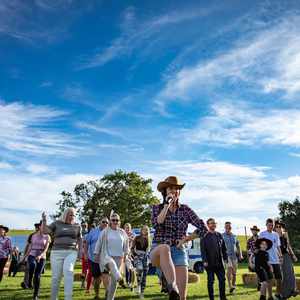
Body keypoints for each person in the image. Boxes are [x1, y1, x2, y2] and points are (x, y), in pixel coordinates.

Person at [150, 176, 207, 300]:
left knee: (181, 297)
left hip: (178, 250)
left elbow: (203, 228)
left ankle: (172, 289)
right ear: (165, 191)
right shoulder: (156, 208)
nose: (174, 191)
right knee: (165, 248)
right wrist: (166, 205)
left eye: (177, 188)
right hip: (159, 250)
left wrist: (186, 239)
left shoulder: (185, 209)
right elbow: (157, 223)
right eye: (171, 188)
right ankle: (171, 285)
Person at [41, 208, 82, 300]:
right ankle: (53, 298)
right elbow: (45, 231)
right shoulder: (57, 223)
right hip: (56, 252)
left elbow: (80, 239)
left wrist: (80, 251)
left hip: (71, 252)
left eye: (73, 215)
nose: (72, 217)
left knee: (68, 271)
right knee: (56, 277)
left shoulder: (77, 226)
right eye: (70, 214)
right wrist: (44, 220)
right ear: (65, 214)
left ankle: (68, 298)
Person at [94, 212, 129, 300]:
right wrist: (96, 253)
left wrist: (126, 255)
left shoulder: (122, 232)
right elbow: (99, 242)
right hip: (107, 256)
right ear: (110, 221)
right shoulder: (105, 231)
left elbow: (126, 245)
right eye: (113, 220)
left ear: (119, 221)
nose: (115, 222)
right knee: (112, 264)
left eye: (117, 220)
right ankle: (120, 279)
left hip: (119, 257)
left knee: (113, 283)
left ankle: (110, 298)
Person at [200, 218, 227, 300]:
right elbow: (203, 250)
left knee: (222, 280)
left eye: (214, 223)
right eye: (211, 223)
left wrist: (225, 258)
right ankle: (211, 298)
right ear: (208, 225)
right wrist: (204, 261)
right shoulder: (204, 236)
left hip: (219, 263)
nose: (213, 224)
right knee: (211, 281)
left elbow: (223, 248)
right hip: (209, 263)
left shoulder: (219, 235)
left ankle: (223, 297)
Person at [84, 217, 110, 299]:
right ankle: (97, 294)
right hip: (93, 259)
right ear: (100, 222)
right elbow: (87, 243)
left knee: (106, 275)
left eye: (107, 222)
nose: (105, 223)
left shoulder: (109, 232)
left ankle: (107, 293)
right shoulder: (93, 232)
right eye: (103, 222)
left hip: (106, 258)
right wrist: (85, 253)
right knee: (96, 278)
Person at [24, 221, 51, 300]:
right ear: (39, 227)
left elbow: (46, 249)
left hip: (42, 256)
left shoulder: (47, 236)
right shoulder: (33, 236)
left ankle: (35, 295)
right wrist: (24, 257)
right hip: (32, 254)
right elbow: (30, 248)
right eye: (43, 226)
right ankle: (29, 280)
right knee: (32, 265)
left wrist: (40, 256)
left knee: (37, 276)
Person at [274, 220, 298, 299]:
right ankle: (283, 294)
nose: (278, 228)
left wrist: (293, 255)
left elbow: (288, 246)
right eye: (276, 227)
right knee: (282, 275)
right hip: (278, 257)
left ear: (282, 227)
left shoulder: (285, 235)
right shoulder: (274, 236)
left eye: (279, 226)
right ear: (275, 228)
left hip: (286, 255)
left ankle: (293, 290)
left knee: (290, 272)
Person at [259, 218, 283, 300]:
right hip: (267, 261)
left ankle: (278, 294)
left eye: (272, 225)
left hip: (276, 259)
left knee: (279, 278)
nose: (271, 226)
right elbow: (259, 247)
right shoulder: (262, 234)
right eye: (269, 225)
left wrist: (280, 256)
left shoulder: (275, 234)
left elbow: (278, 247)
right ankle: (270, 296)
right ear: (266, 225)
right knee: (270, 279)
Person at [222, 221, 243, 294]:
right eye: (227, 226)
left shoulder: (234, 236)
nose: (228, 227)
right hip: (226, 255)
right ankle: (230, 286)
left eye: (229, 226)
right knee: (229, 268)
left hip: (234, 256)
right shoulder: (222, 236)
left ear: (231, 227)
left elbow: (238, 245)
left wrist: (240, 254)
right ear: (225, 227)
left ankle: (233, 287)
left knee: (234, 273)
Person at [132, 225, 151, 299]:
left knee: (145, 275)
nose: (145, 231)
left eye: (146, 230)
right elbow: (132, 248)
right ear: (141, 230)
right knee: (139, 269)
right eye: (144, 229)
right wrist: (135, 255)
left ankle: (142, 292)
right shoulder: (137, 238)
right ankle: (138, 285)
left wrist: (147, 256)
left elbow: (148, 250)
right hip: (138, 257)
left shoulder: (148, 239)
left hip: (145, 258)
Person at [21, 222, 41, 289]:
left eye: (38, 227)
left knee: (37, 271)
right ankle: (26, 283)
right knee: (28, 269)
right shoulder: (31, 235)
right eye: (36, 228)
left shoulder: (43, 235)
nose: (37, 229)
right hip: (30, 254)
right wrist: (25, 255)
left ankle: (34, 284)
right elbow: (27, 245)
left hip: (39, 255)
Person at [124, 223, 135, 289]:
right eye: (126, 227)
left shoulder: (132, 234)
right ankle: (127, 281)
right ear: (124, 228)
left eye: (128, 227)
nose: (127, 229)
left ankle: (131, 282)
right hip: (124, 253)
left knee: (131, 268)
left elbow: (134, 240)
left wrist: (129, 239)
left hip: (131, 253)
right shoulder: (123, 234)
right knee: (126, 269)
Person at [80, 222, 89, 289]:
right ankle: (83, 283)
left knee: (90, 270)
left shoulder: (88, 234)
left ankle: (89, 283)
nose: (84, 227)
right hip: (83, 254)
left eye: (85, 226)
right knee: (84, 270)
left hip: (90, 254)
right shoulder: (79, 234)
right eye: (83, 226)